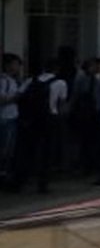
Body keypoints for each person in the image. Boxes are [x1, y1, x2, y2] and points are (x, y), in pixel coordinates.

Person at [18, 59, 67, 193]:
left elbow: (20, 95)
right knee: (47, 151)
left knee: (29, 149)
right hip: (50, 118)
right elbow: (61, 103)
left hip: (32, 119)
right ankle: (43, 183)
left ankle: (21, 179)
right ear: (57, 69)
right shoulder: (60, 83)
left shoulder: (31, 80)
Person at [0, 54, 21, 181]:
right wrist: (18, 96)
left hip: (12, 116)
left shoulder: (14, 80)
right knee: (5, 148)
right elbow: (2, 99)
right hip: (5, 118)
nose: (17, 67)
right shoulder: (4, 81)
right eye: (15, 64)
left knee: (10, 148)